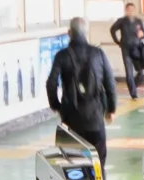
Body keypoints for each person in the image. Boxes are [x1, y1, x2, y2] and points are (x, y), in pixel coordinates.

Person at [46, 17, 118, 164]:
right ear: (86, 32)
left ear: (69, 33)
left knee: (72, 165)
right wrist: (111, 109)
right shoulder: (99, 54)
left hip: (71, 120)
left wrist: (57, 106)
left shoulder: (62, 55)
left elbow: (51, 83)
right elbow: (110, 84)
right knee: (98, 165)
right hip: (95, 119)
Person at [108, 6, 144, 100]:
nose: (130, 12)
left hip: (137, 48)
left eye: (132, 10)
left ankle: (133, 85)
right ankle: (134, 94)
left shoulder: (138, 21)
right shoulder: (121, 21)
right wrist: (117, 41)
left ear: (134, 11)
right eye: (129, 10)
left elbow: (143, 32)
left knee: (141, 71)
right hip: (126, 49)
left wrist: (142, 34)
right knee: (129, 71)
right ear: (126, 11)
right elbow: (112, 30)